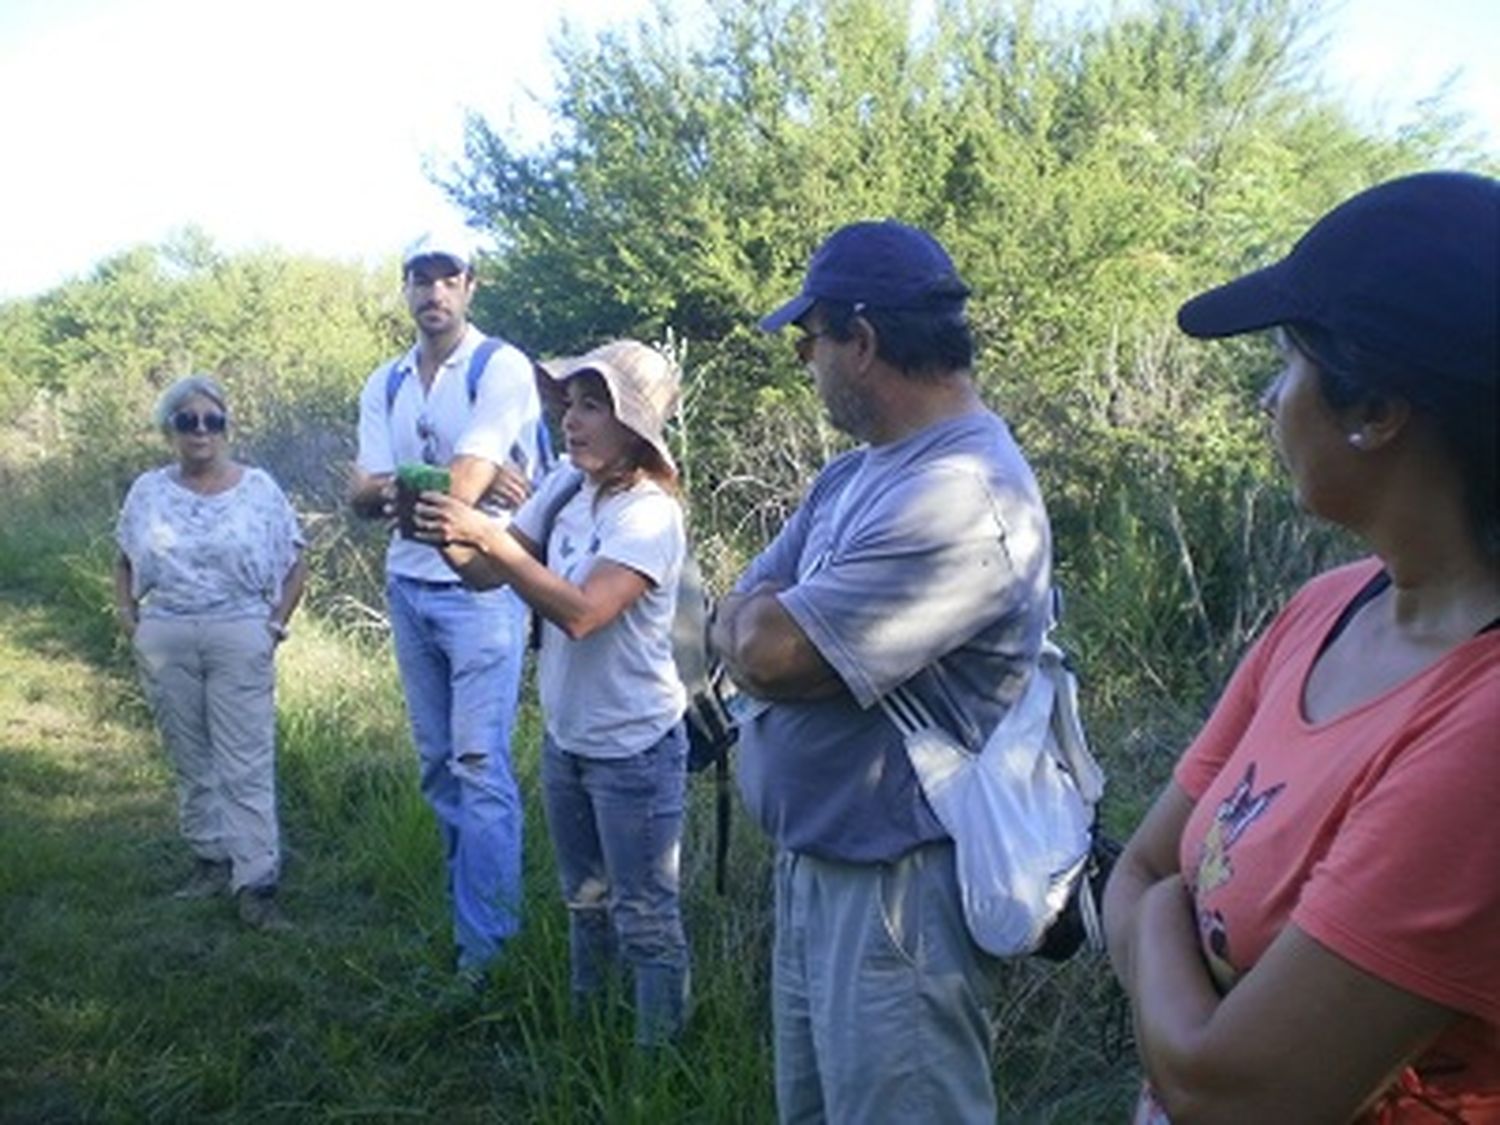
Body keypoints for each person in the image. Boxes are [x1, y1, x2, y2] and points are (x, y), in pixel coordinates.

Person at [1101, 171, 1500, 1123]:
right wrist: (1160, 917)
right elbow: (1138, 866)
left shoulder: (1481, 727)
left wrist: (1159, 917)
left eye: (1288, 363)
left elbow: (1229, 1091)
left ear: (1376, 409)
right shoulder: (1323, 610)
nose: (1272, 399)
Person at [710, 221, 1054, 1122]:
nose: (804, 360)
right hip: (825, 871)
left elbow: (761, 646)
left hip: (896, 901)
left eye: (810, 337)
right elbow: (743, 612)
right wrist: (751, 623)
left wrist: (754, 626)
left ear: (860, 341)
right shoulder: (855, 477)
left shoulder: (961, 494)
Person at [414, 340, 692, 1046]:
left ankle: (656, 1064)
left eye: (593, 405)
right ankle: (587, 1039)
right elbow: (486, 576)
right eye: (569, 403)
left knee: (646, 915)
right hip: (569, 737)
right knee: (585, 902)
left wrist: (489, 536)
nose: (571, 420)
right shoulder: (567, 487)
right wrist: (445, 529)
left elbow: (583, 611)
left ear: (635, 424)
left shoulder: (649, 512)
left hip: (636, 746)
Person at [348, 227, 547, 974]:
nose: (433, 292)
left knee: (479, 763)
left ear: (470, 286)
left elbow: (452, 495)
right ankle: (470, 920)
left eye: (447, 277)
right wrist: (449, 477)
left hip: (485, 589)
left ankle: (487, 952)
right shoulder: (388, 380)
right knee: (438, 763)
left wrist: (428, 483)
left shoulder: (502, 368)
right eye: (419, 278)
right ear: (405, 288)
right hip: (409, 586)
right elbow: (361, 494)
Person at [114, 374, 307, 931]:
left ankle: (257, 884)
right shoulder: (148, 490)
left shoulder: (259, 489)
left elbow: (296, 561)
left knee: (245, 760)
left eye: (212, 420)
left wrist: (274, 625)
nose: (201, 431)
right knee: (189, 754)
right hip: (166, 633)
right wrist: (131, 620)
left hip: (240, 630)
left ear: (226, 428)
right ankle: (209, 859)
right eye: (187, 420)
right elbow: (124, 559)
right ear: (169, 429)